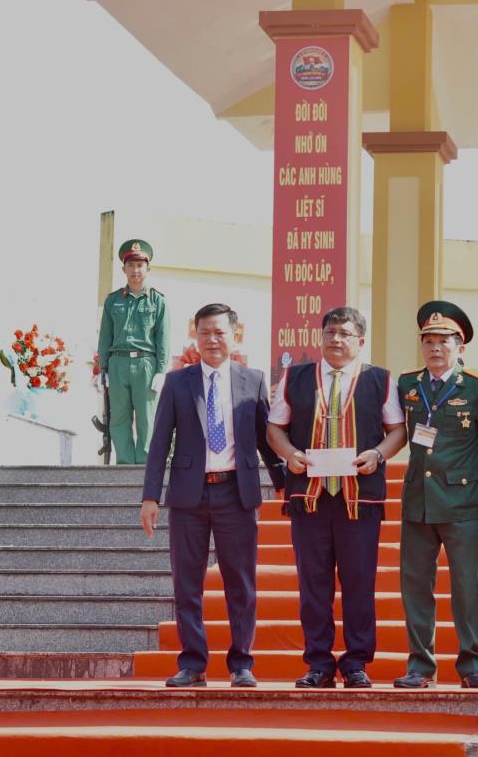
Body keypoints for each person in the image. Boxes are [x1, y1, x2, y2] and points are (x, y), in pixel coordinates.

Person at [140, 303, 282, 688]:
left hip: (236, 493)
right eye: (205, 332)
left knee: (241, 584)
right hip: (189, 496)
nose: (212, 340)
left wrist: (285, 484)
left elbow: (266, 440)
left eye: (220, 332)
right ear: (195, 336)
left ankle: (241, 664)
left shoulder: (252, 380)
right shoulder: (178, 382)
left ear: (235, 336)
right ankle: (193, 663)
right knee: (187, 584)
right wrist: (150, 496)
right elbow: (159, 442)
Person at [266, 306, 407, 689]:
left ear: (360, 341)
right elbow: (275, 428)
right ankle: (319, 663)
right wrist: (289, 454)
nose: (336, 340)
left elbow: (397, 430)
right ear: (321, 337)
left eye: (345, 334)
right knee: (313, 585)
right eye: (330, 332)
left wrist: (378, 455)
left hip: (359, 499)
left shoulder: (380, 379)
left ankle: (357, 662)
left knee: (359, 583)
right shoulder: (295, 377)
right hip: (309, 497)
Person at [393, 301, 478, 690]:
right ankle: (420, 666)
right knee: (415, 585)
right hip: (418, 501)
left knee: (466, 586)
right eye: (428, 341)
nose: (435, 348)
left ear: (461, 346)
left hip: (461, 503)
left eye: (444, 341)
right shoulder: (408, 385)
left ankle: (472, 665)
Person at [98, 239, 170, 464]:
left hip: (145, 364)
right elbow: (105, 337)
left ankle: (145, 467)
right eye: (131, 265)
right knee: (119, 418)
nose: (135, 270)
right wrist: (103, 369)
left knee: (147, 417)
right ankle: (125, 465)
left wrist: (161, 371)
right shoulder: (113, 301)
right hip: (118, 363)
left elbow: (163, 338)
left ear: (148, 269)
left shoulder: (158, 301)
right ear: (124, 269)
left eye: (140, 265)